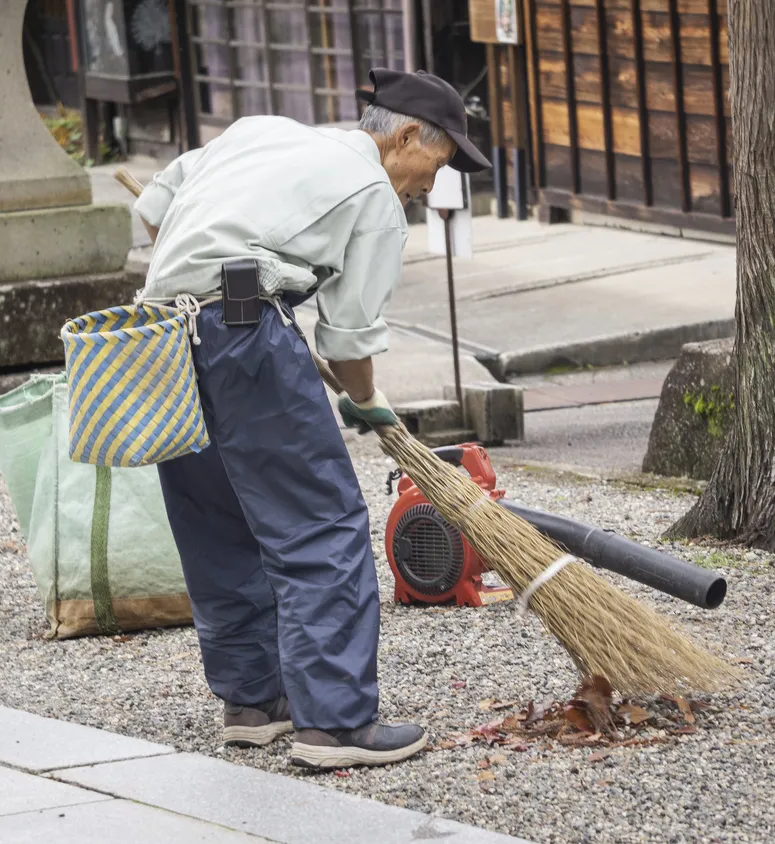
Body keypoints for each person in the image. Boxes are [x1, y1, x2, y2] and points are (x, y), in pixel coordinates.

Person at [131, 68, 490, 770]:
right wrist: (364, 400)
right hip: (245, 337)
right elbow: (348, 337)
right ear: (407, 136)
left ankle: (254, 702)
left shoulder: (258, 133)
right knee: (318, 524)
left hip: (164, 337)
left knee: (217, 519)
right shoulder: (374, 196)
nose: (428, 186)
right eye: (436, 165)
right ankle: (336, 725)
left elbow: (152, 205)